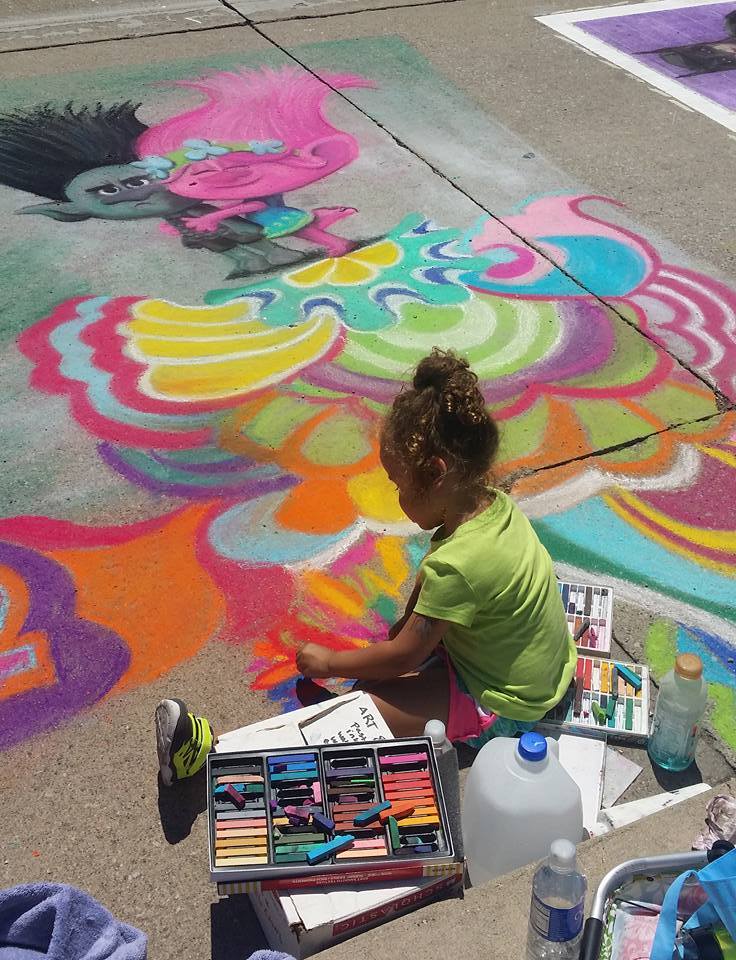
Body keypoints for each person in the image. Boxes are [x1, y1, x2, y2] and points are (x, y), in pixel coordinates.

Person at [154, 349, 576, 784]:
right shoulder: (493, 507)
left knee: (357, 716)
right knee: (385, 681)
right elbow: (434, 588)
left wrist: (331, 663)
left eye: (398, 483)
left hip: (510, 709)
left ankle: (208, 758)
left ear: (435, 473)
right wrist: (407, 634)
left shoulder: (459, 566)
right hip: (544, 676)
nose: (397, 497)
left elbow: (403, 653)